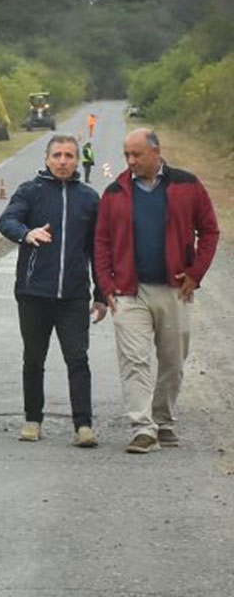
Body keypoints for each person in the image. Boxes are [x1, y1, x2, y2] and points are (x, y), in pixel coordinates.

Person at [94, 129, 219, 454]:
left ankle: (162, 419)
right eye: (126, 155)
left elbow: (209, 231)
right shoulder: (114, 192)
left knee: (172, 360)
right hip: (128, 292)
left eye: (137, 155)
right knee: (134, 360)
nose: (131, 161)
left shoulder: (187, 185)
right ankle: (143, 427)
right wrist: (106, 286)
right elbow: (102, 241)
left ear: (156, 152)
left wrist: (195, 273)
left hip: (175, 290)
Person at [0, 135, 106, 447]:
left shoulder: (89, 198)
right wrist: (26, 233)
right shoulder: (30, 191)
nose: (63, 161)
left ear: (77, 161)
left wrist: (100, 294)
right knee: (34, 359)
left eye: (69, 156)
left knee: (78, 359)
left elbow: (97, 250)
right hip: (33, 293)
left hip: (73, 295)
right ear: (47, 159)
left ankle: (83, 426)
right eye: (57, 155)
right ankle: (33, 420)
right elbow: (6, 220)